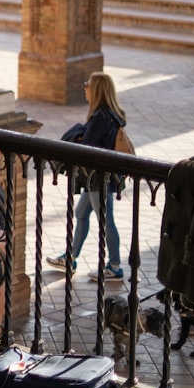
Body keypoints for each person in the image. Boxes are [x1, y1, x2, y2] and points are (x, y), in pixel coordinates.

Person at [46, 72, 127, 281]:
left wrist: (79, 135)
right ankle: (70, 258)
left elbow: (86, 146)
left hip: (98, 177)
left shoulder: (101, 117)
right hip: (98, 176)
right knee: (82, 213)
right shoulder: (110, 113)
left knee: (106, 221)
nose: (85, 88)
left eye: (87, 85)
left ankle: (115, 266)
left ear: (97, 89)